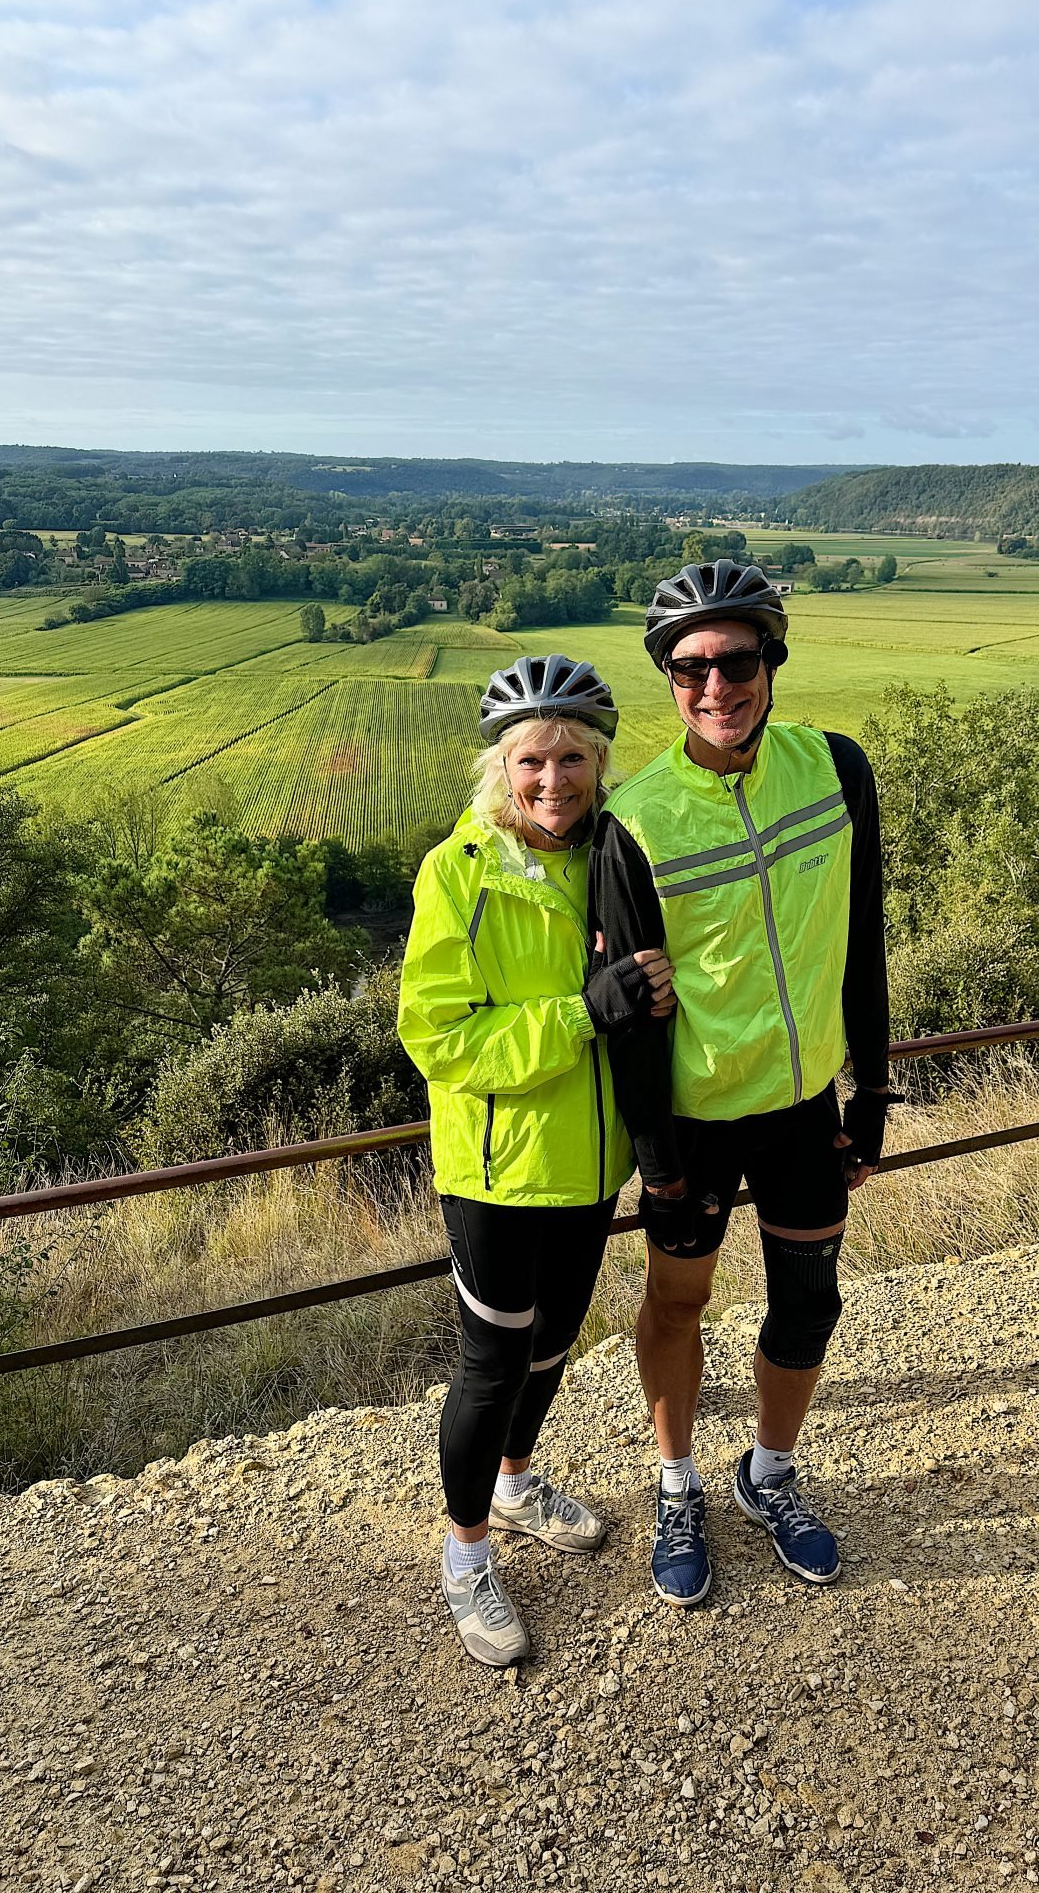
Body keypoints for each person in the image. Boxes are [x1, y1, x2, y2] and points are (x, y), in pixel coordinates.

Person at [589, 560, 891, 1606]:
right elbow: (628, 1009)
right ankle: (678, 1483)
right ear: (667, 679)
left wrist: (874, 1096)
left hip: (806, 1105)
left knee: (810, 1302)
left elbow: (865, 948)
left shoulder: (837, 770)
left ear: (774, 658)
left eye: (737, 658)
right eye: (690, 668)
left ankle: (767, 1473)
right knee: (679, 1303)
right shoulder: (634, 819)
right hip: (697, 1121)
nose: (716, 685)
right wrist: (657, 1156)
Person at [398, 654, 675, 1665]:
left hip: (592, 1164)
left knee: (554, 1343)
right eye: (531, 761)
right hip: (496, 1170)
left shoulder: (614, 856)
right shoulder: (458, 871)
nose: (551, 780)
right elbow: (440, 1037)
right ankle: (465, 1553)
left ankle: (514, 1481)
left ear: (598, 763)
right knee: (490, 1362)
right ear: (499, 768)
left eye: (570, 758)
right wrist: (580, 1013)